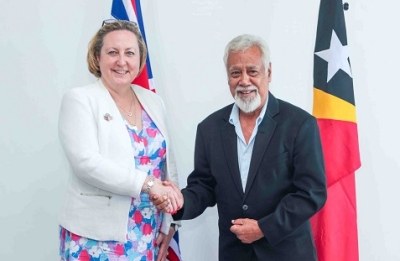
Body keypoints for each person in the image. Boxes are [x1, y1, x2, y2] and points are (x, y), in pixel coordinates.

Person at [153, 34, 327, 260]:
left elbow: (311, 193)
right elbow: (204, 186)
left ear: (269, 73)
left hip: (287, 253)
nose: (244, 81)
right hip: (234, 254)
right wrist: (179, 201)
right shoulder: (209, 128)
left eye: (252, 71)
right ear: (228, 78)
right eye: (236, 73)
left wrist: (263, 228)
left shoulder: (300, 124)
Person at [57, 19, 181, 261]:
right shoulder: (80, 99)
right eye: (112, 52)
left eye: (130, 53)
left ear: (139, 59)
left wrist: (170, 220)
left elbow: (167, 163)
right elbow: (86, 163)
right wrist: (147, 184)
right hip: (96, 237)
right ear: (97, 56)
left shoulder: (153, 101)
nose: (121, 61)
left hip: (147, 230)